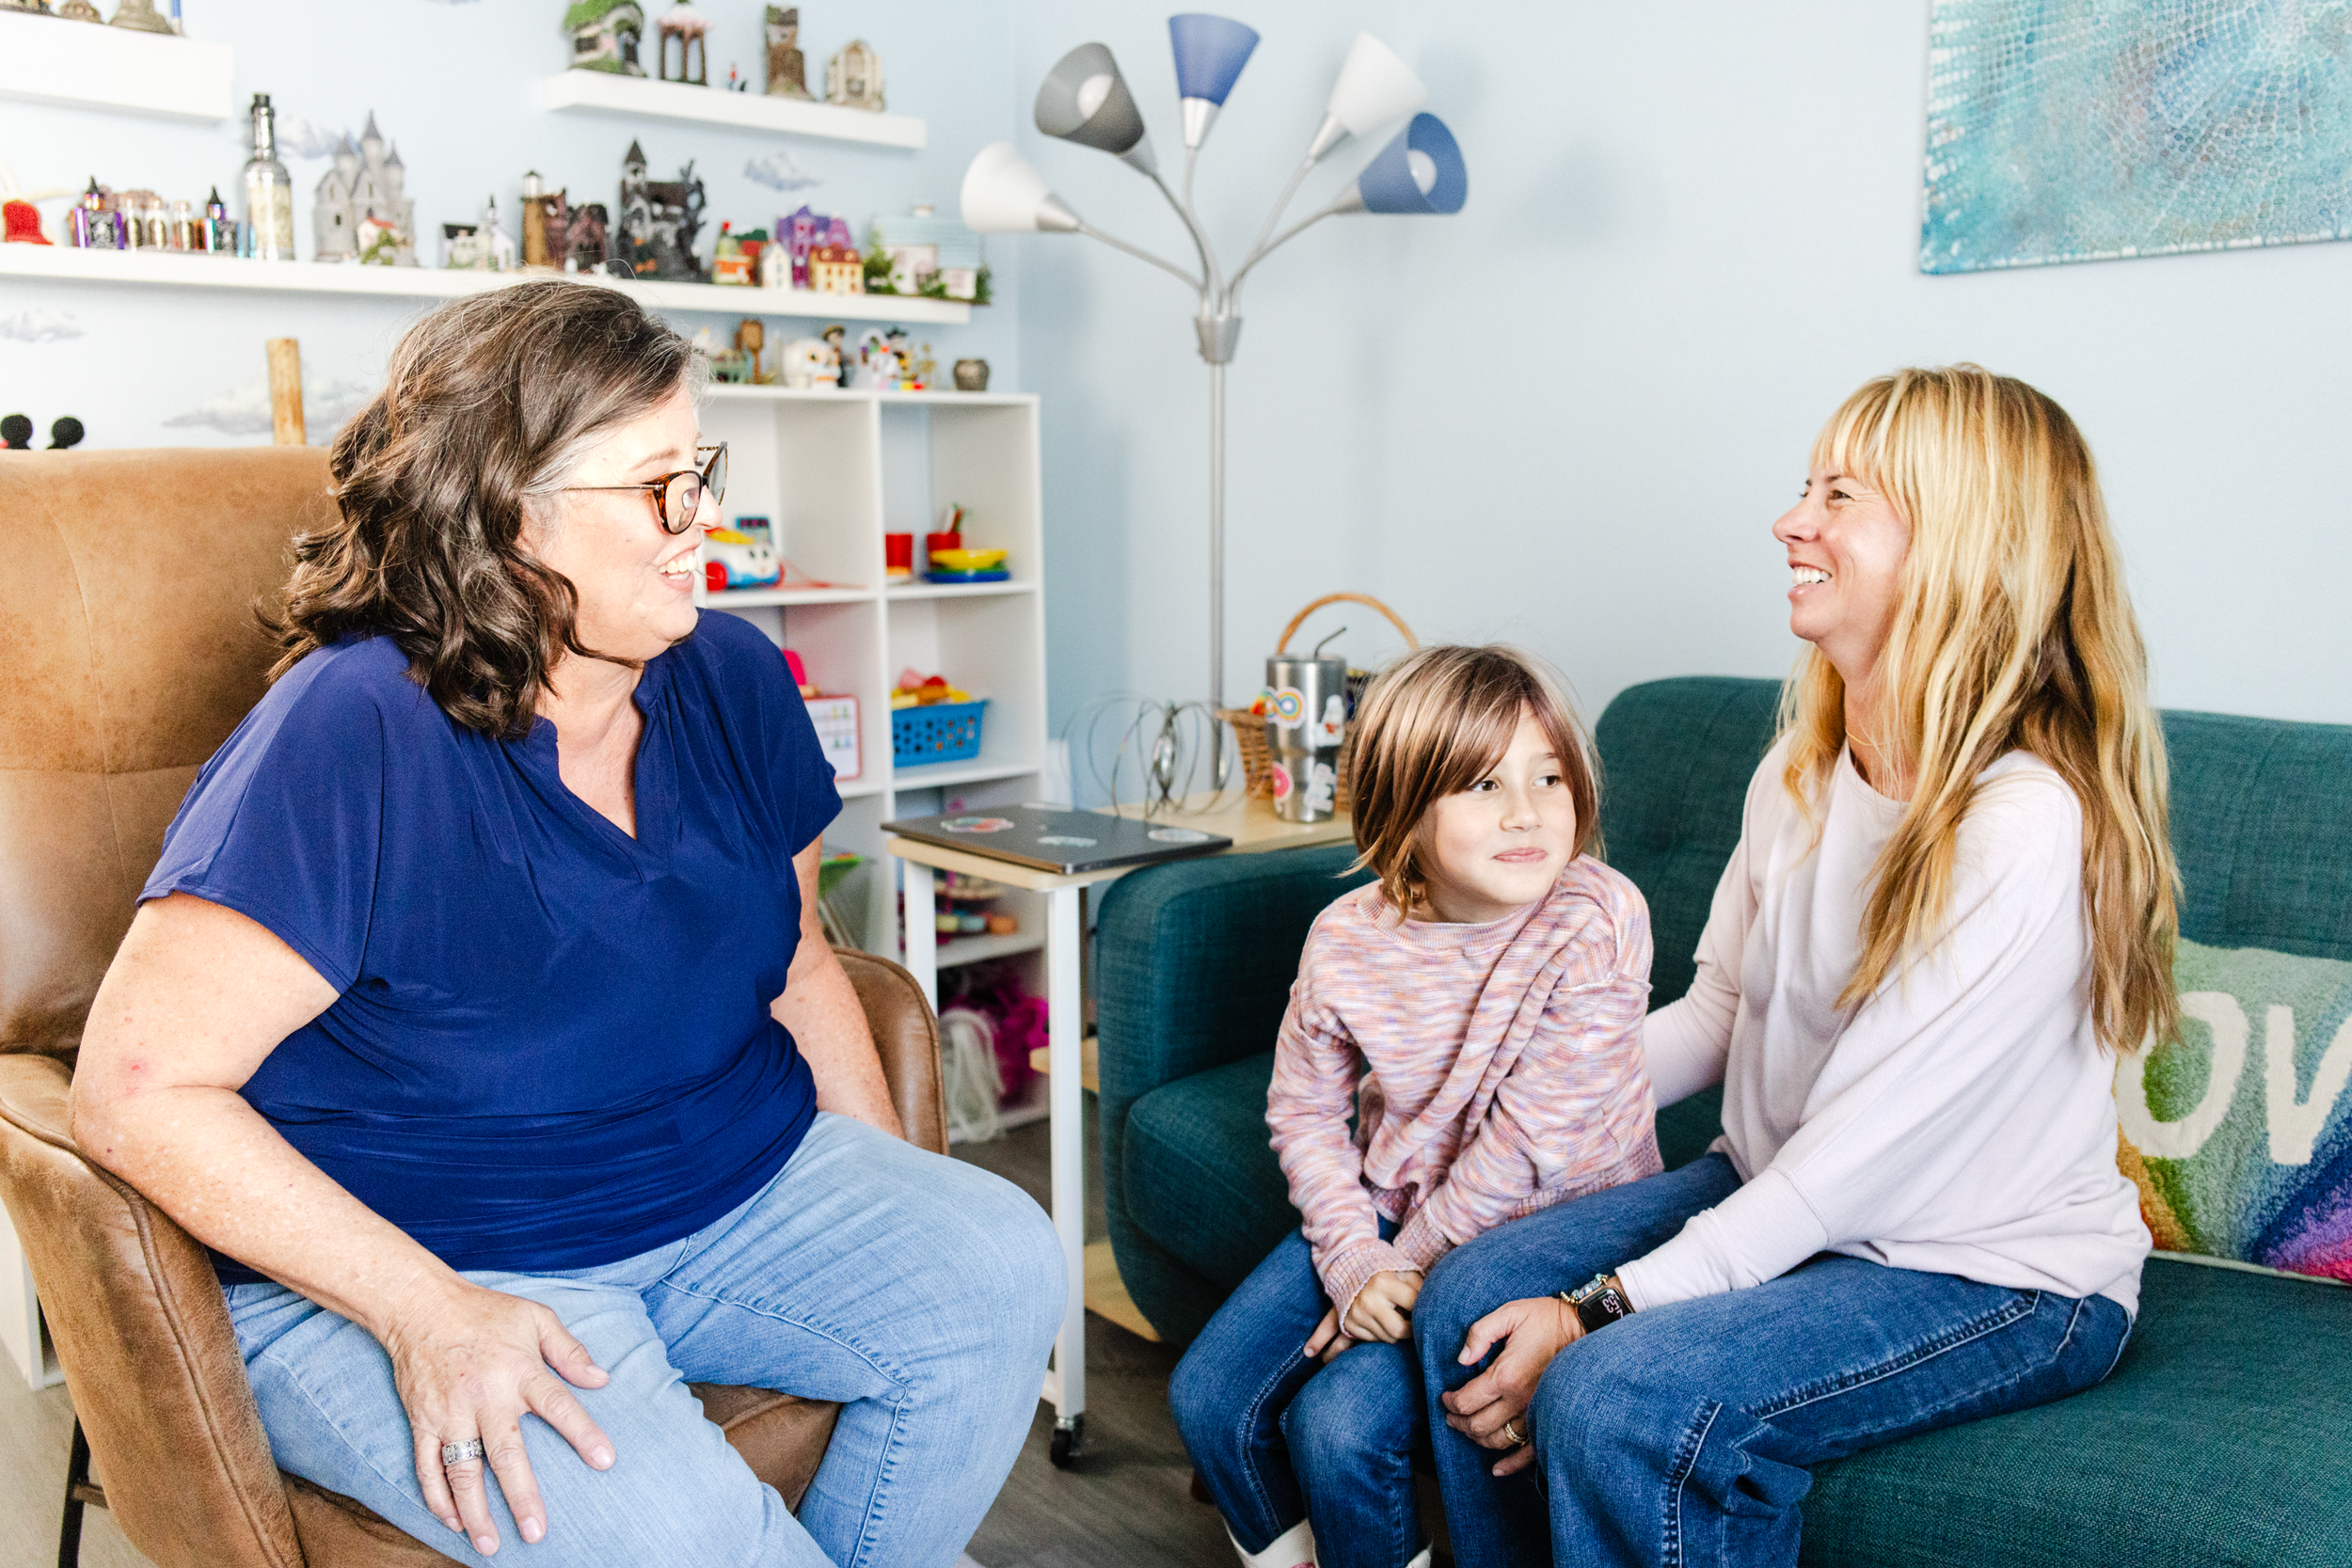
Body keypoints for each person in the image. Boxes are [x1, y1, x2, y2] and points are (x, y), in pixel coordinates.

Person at [70, 281, 1062, 1568]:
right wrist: (425, 1310)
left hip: (733, 1183)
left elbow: (798, 958)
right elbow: (134, 1092)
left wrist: (898, 1197)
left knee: (1000, 1258)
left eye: (698, 473)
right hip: (438, 1247)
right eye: (658, 488)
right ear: (506, 518)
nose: (702, 522)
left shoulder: (736, 680)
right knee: (685, 1534)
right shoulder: (350, 729)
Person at [1415, 365, 2177, 1568]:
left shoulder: (2022, 823)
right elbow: (1719, 1010)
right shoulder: (1800, 772)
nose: (1790, 522)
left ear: (1957, 544)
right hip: (1786, 1189)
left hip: (1990, 1271)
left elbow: (1844, 1168)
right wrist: (1489, 1093)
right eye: (1803, 488)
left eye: (1840, 496)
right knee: (1466, 1293)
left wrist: (1599, 1308)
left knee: (1619, 1394)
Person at [1170, 645, 1663, 1568]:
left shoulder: (1598, 915)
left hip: (1555, 1225)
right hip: (1395, 1208)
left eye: (1549, 776)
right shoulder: (1344, 940)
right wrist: (1353, 1256)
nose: (1526, 811)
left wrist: (1390, 1268)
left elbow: (1531, 1148)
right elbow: (1304, 1112)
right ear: (1402, 804)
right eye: (1483, 783)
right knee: (1207, 1397)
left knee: (1337, 1427)